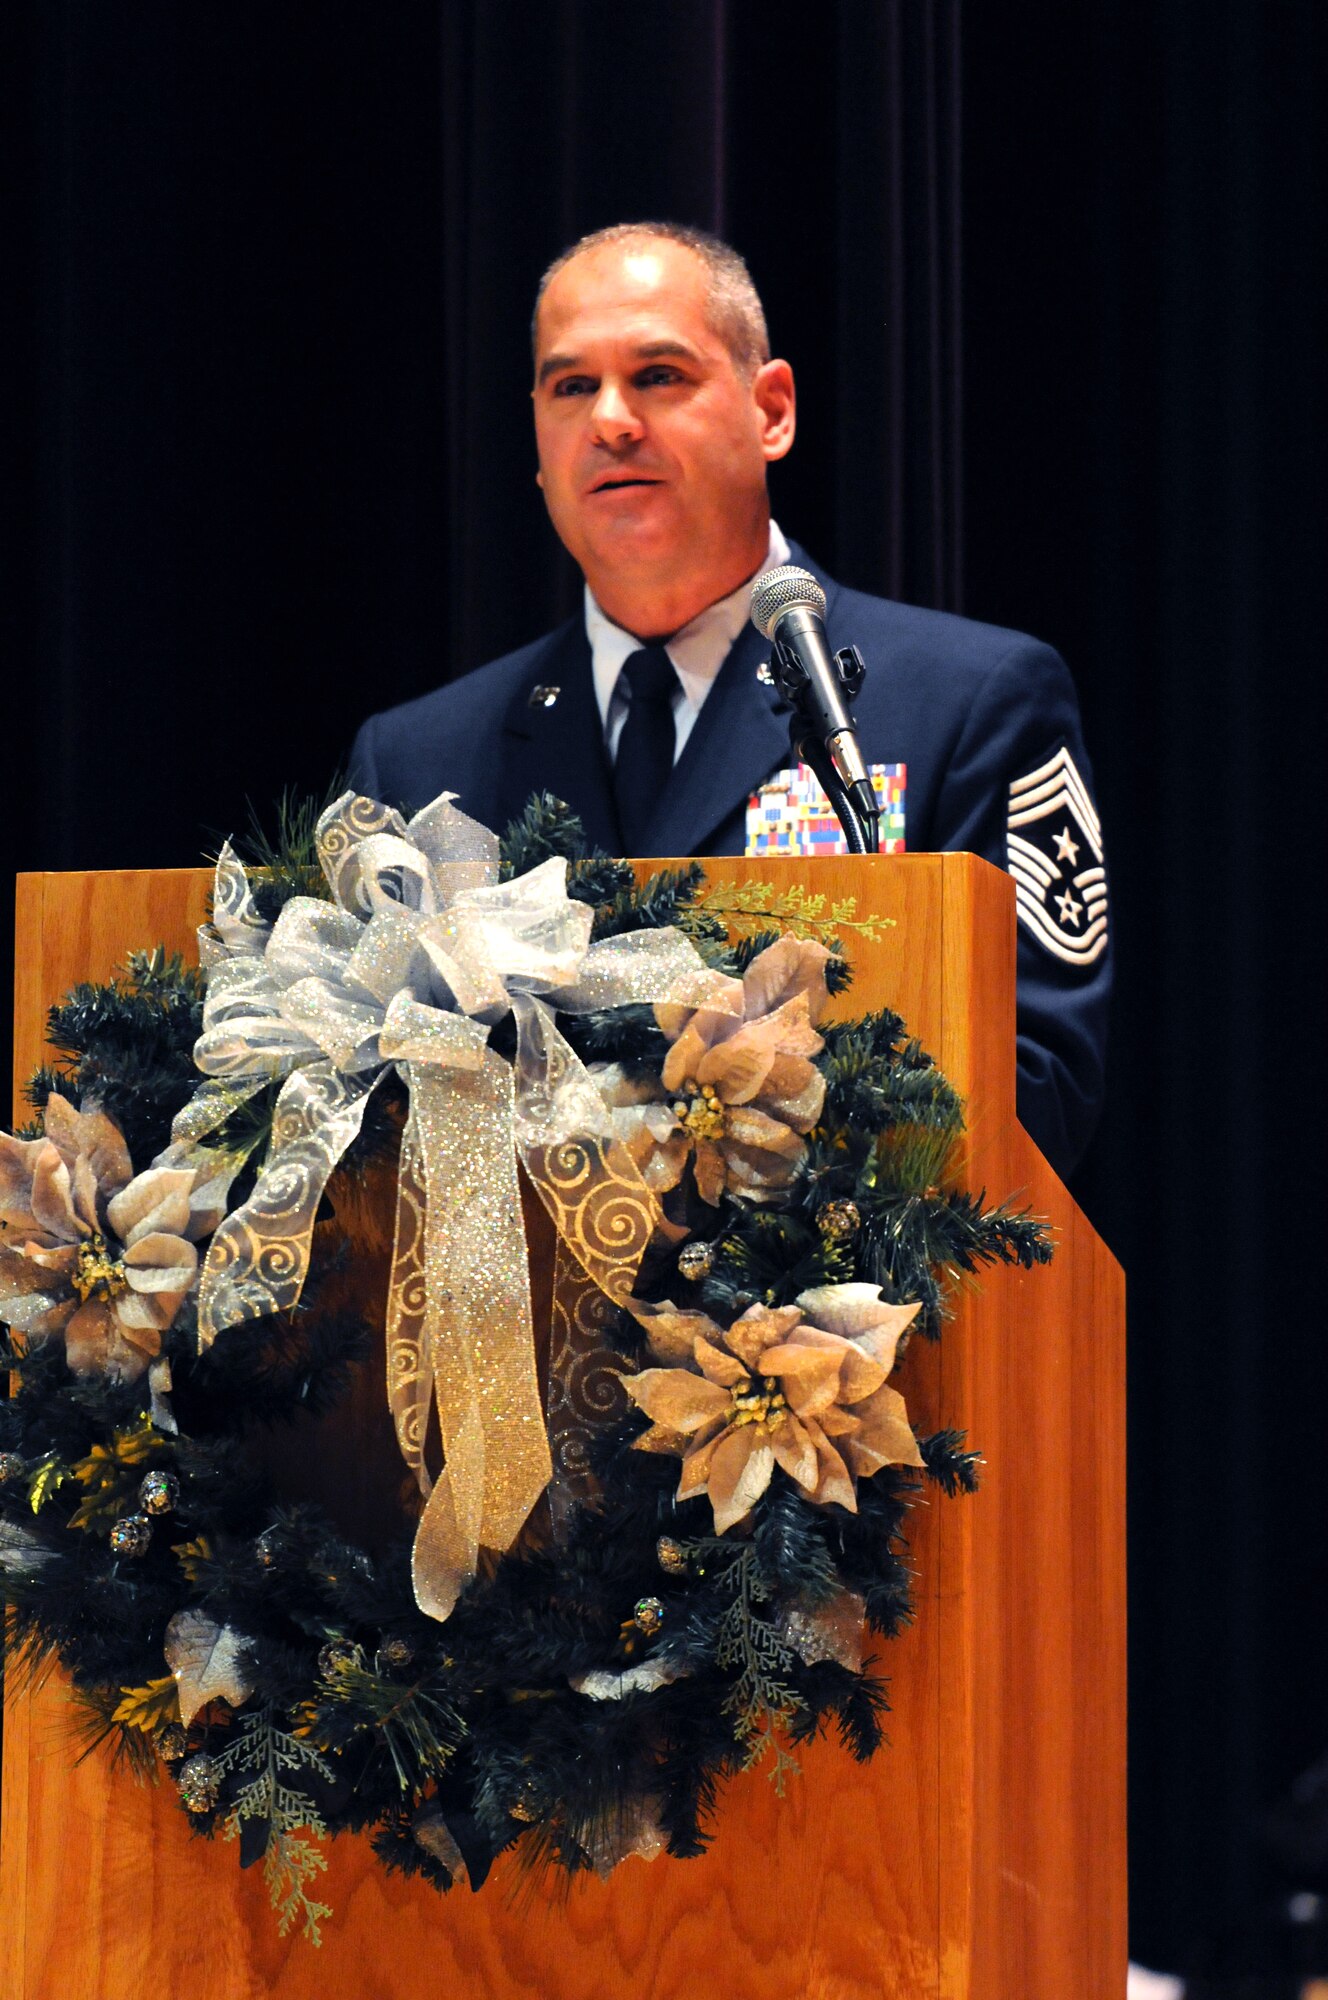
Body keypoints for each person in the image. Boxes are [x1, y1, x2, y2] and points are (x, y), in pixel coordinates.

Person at [348, 222, 1110, 1177]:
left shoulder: (968, 702)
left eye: (659, 375)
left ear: (773, 410)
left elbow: (1037, 1084)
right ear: (538, 445)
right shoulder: (422, 760)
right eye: (572, 386)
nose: (612, 420)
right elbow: (361, 1109)